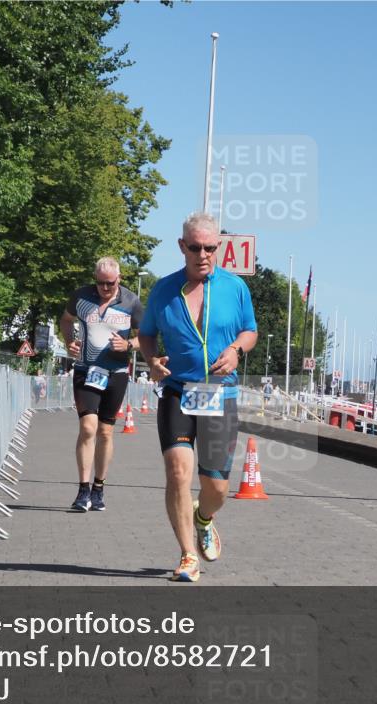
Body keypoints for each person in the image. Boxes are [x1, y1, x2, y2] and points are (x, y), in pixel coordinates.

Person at [138, 212, 258, 582]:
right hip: (177, 391)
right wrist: (152, 361)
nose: (202, 254)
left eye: (209, 247)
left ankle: (203, 517)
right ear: (182, 246)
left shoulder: (235, 288)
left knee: (217, 487)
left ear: (217, 247)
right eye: (195, 247)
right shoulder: (162, 290)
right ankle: (188, 556)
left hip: (220, 394)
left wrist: (237, 349)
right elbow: (146, 336)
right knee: (177, 473)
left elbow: (250, 331)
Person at [60, 258, 142, 512]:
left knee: (105, 432)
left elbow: (146, 337)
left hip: (116, 372)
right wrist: (69, 341)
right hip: (86, 369)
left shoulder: (131, 302)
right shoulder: (81, 297)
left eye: (110, 283)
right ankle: (82, 490)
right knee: (88, 427)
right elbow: (65, 319)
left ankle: (98, 487)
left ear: (119, 279)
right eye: (100, 283)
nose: (105, 288)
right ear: (94, 279)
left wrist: (129, 345)